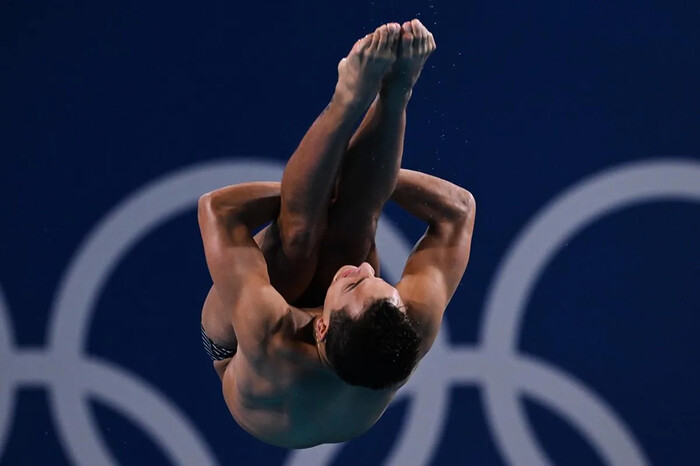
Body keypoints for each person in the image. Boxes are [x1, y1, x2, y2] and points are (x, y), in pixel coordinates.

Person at [198, 19, 475, 448]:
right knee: (357, 223)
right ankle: (396, 91)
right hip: (348, 348)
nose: (365, 267)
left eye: (355, 283)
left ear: (321, 328)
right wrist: (366, 184)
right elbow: (458, 211)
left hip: (236, 350)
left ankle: (345, 100)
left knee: (298, 238)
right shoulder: (410, 324)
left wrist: (321, 185)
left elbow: (218, 209)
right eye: (378, 281)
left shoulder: (270, 336)